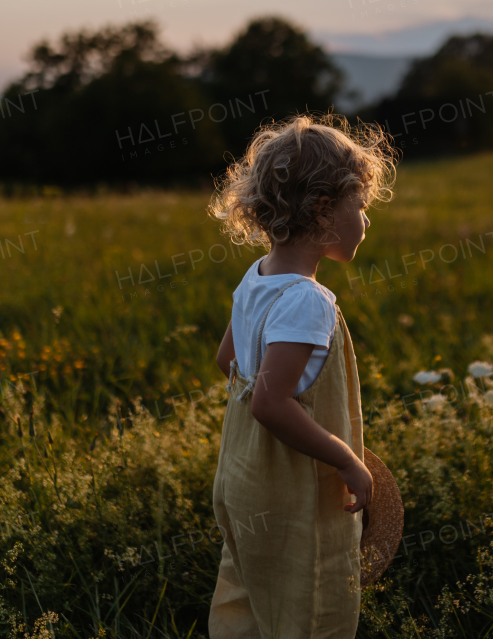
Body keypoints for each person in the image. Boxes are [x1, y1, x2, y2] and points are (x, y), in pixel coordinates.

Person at [206, 113, 396, 639]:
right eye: (360, 207)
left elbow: (230, 363)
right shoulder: (307, 300)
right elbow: (270, 404)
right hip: (291, 492)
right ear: (322, 210)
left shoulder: (259, 278)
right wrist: (346, 458)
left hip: (244, 476)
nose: (365, 221)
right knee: (307, 600)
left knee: (250, 595)